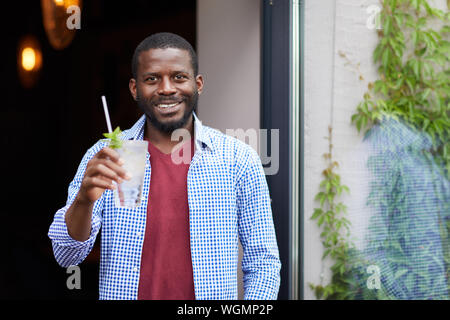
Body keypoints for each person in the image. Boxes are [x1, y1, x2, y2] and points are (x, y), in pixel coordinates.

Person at [48, 32, 281, 300]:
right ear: (135, 89)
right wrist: (84, 201)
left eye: (179, 77)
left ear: (198, 84)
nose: (167, 88)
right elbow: (66, 257)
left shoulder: (238, 159)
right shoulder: (107, 157)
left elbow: (263, 264)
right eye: (152, 79)